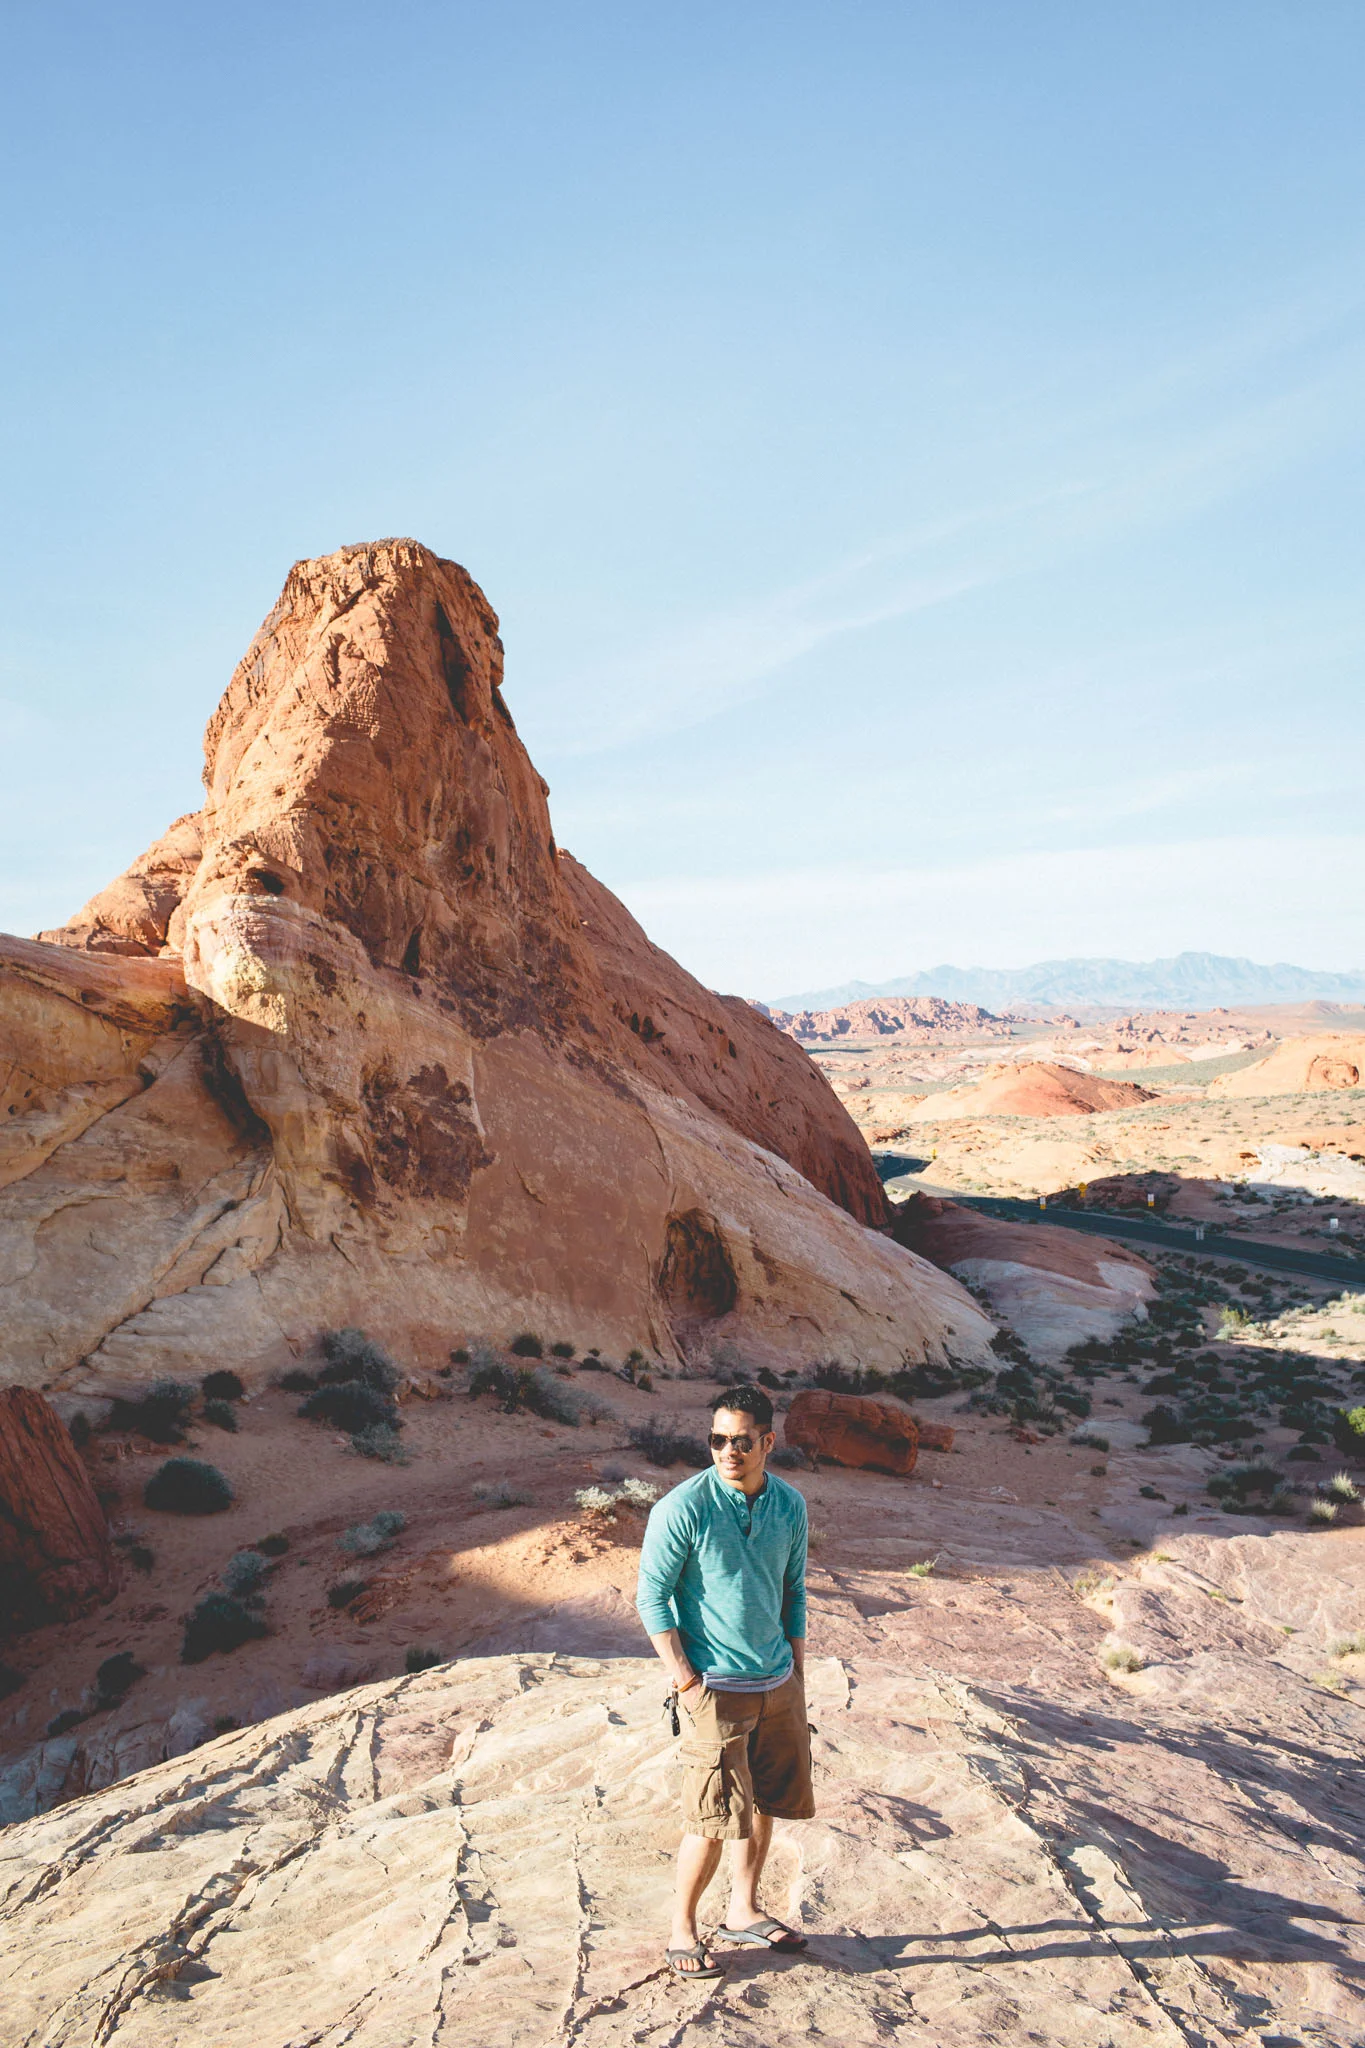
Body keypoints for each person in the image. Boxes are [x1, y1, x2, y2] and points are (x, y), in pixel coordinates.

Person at [635, 1382, 813, 1980]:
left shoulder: (789, 1505)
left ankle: (744, 1909)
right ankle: (682, 1931)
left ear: (767, 1442)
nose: (727, 1452)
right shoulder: (682, 1508)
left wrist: (798, 1676)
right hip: (714, 1685)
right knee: (711, 1817)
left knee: (762, 1803)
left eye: (740, 1441)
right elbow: (651, 1599)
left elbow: (793, 1592)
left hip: (776, 1681)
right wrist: (686, 1682)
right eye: (717, 1440)